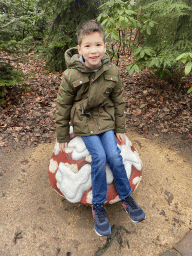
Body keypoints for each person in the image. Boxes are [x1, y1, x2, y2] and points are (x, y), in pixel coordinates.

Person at [56, 20, 145, 236]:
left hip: (105, 120)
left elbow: (119, 100)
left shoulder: (112, 71)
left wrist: (120, 128)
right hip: (84, 122)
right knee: (98, 157)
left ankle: (125, 197)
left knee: (114, 155)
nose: (93, 50)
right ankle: (98, 206)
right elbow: (63, 105)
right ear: (80, 49)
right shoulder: (71, 75)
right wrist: (61, 134)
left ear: (105, 46)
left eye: (97, 45)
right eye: (87, 46)